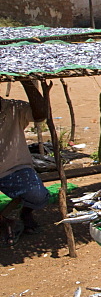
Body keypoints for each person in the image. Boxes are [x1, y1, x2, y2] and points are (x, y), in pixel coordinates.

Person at [0, 81, 50, 245]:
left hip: (14, 168)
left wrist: (28, 83)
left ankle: (23, 213)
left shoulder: (13, 108)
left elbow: (41, 114)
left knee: (38, 195)